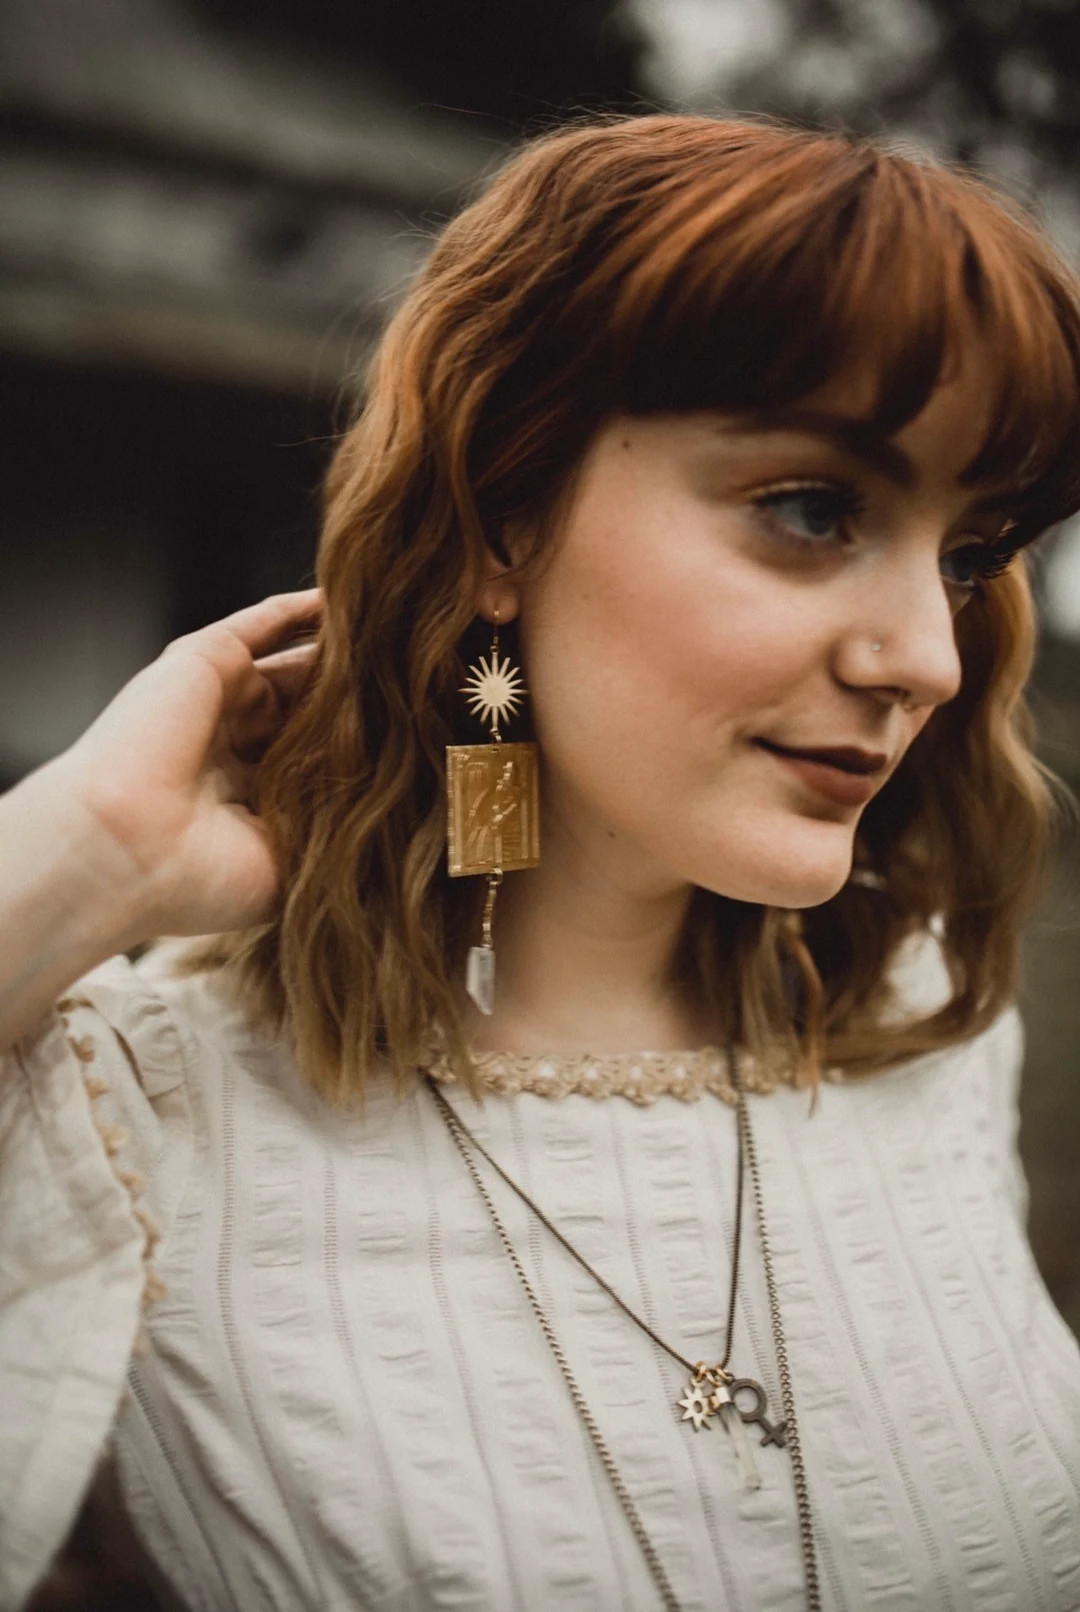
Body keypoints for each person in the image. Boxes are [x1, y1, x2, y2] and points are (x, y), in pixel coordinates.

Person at [2, 111, 1080, 1612]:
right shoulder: (129, 1112)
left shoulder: (922, 1028)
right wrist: (74, 861)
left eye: (967, 555)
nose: (927, 659)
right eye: (814, 510)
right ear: (505, 512)